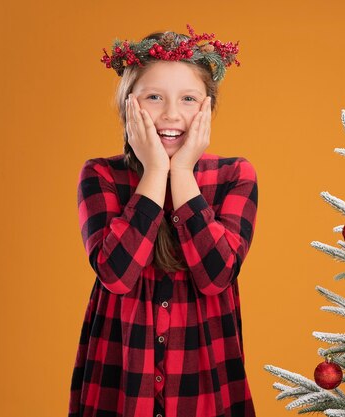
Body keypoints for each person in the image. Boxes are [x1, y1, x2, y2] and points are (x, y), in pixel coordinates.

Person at [68, 24, 258, 417]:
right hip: (121, 376)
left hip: (204, 377)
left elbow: (217, 275)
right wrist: (156, 171)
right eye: (154, 97)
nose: (172, 114)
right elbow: (116, 274)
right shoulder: (100, 175)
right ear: (128, 104)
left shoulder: (235, 175)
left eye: (188, 99)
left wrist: (182, 173)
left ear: (207, 107)